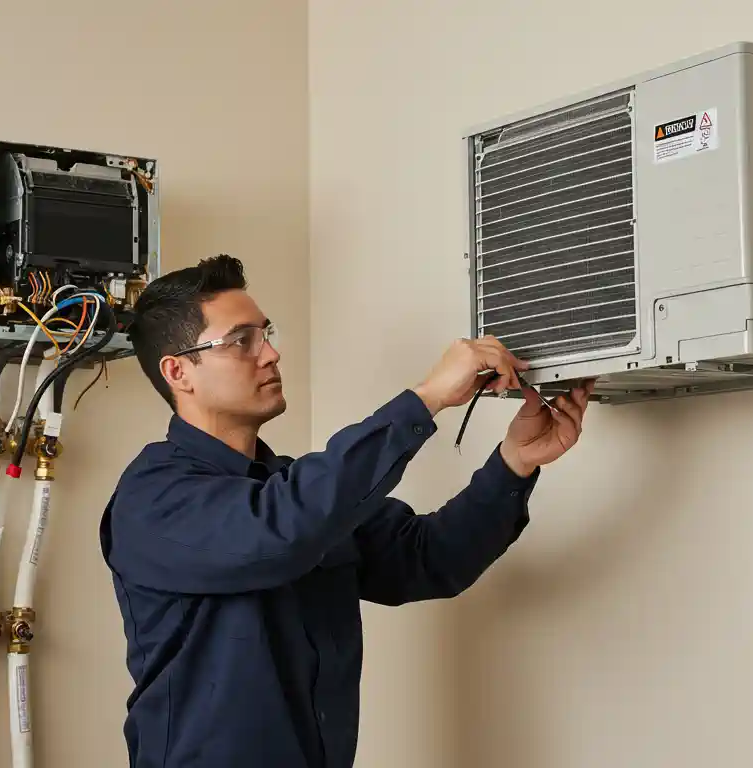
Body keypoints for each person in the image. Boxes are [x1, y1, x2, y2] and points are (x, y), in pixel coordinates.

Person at [100, 255, 594, 767]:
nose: (270, 354)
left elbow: (427, 558)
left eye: (266, 334)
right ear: (178, 371)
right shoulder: (153, 500)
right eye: (241, 341)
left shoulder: (296, 492)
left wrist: (513, 464)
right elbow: (281, 532)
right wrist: (424, 400)